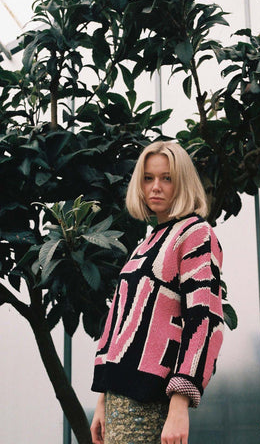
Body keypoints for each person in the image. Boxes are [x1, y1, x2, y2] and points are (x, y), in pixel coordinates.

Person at [90, 141, 224, 444]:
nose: (156, 187)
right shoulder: (147, 242)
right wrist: (102, 401)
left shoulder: (195, 234)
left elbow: (205, 320)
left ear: (183, 182)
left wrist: (180, 403)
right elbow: (118, 326)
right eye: (148, 178)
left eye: (167, 178)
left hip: (152, 401)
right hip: (118, 401)